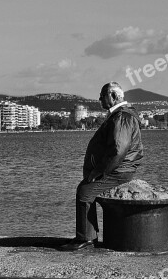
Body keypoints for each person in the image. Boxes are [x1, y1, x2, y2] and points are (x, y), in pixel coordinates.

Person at [60, 82, 144, 251]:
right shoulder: (120, 115)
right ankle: (89, 235)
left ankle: (85, 238)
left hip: (119, 171)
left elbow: (118, 150)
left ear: (113, 96)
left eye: (102, 96)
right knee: (86, 190)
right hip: (118, 169)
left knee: (84, 192)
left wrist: (99, 172)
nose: (99, 99)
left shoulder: (122, 116)